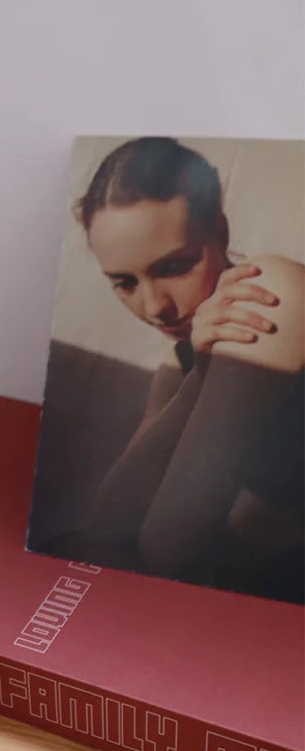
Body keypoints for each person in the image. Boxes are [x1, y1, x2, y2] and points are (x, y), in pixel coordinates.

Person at [48, 137, 304, 603]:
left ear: (219, 233)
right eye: (125, 282)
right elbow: (109, 523)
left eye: (174, 266)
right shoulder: (182, 359)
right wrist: (199, 373)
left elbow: (174, 546)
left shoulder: (268, 294)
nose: (155, 307)